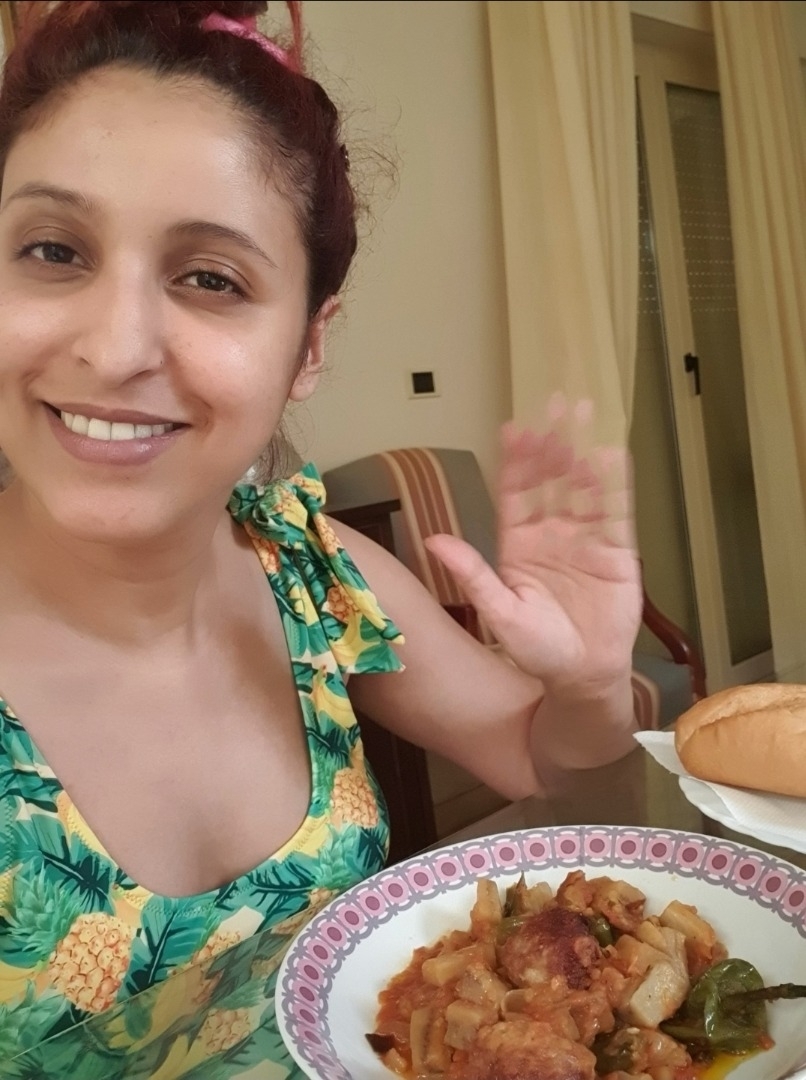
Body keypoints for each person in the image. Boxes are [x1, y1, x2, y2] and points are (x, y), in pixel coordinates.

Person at [0, 1, 642, 1074]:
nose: (114, 348)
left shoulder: (314, 568)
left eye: (210, 278)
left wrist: (586, 683)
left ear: (307, 347)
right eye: (53, 250)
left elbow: (549, 761)